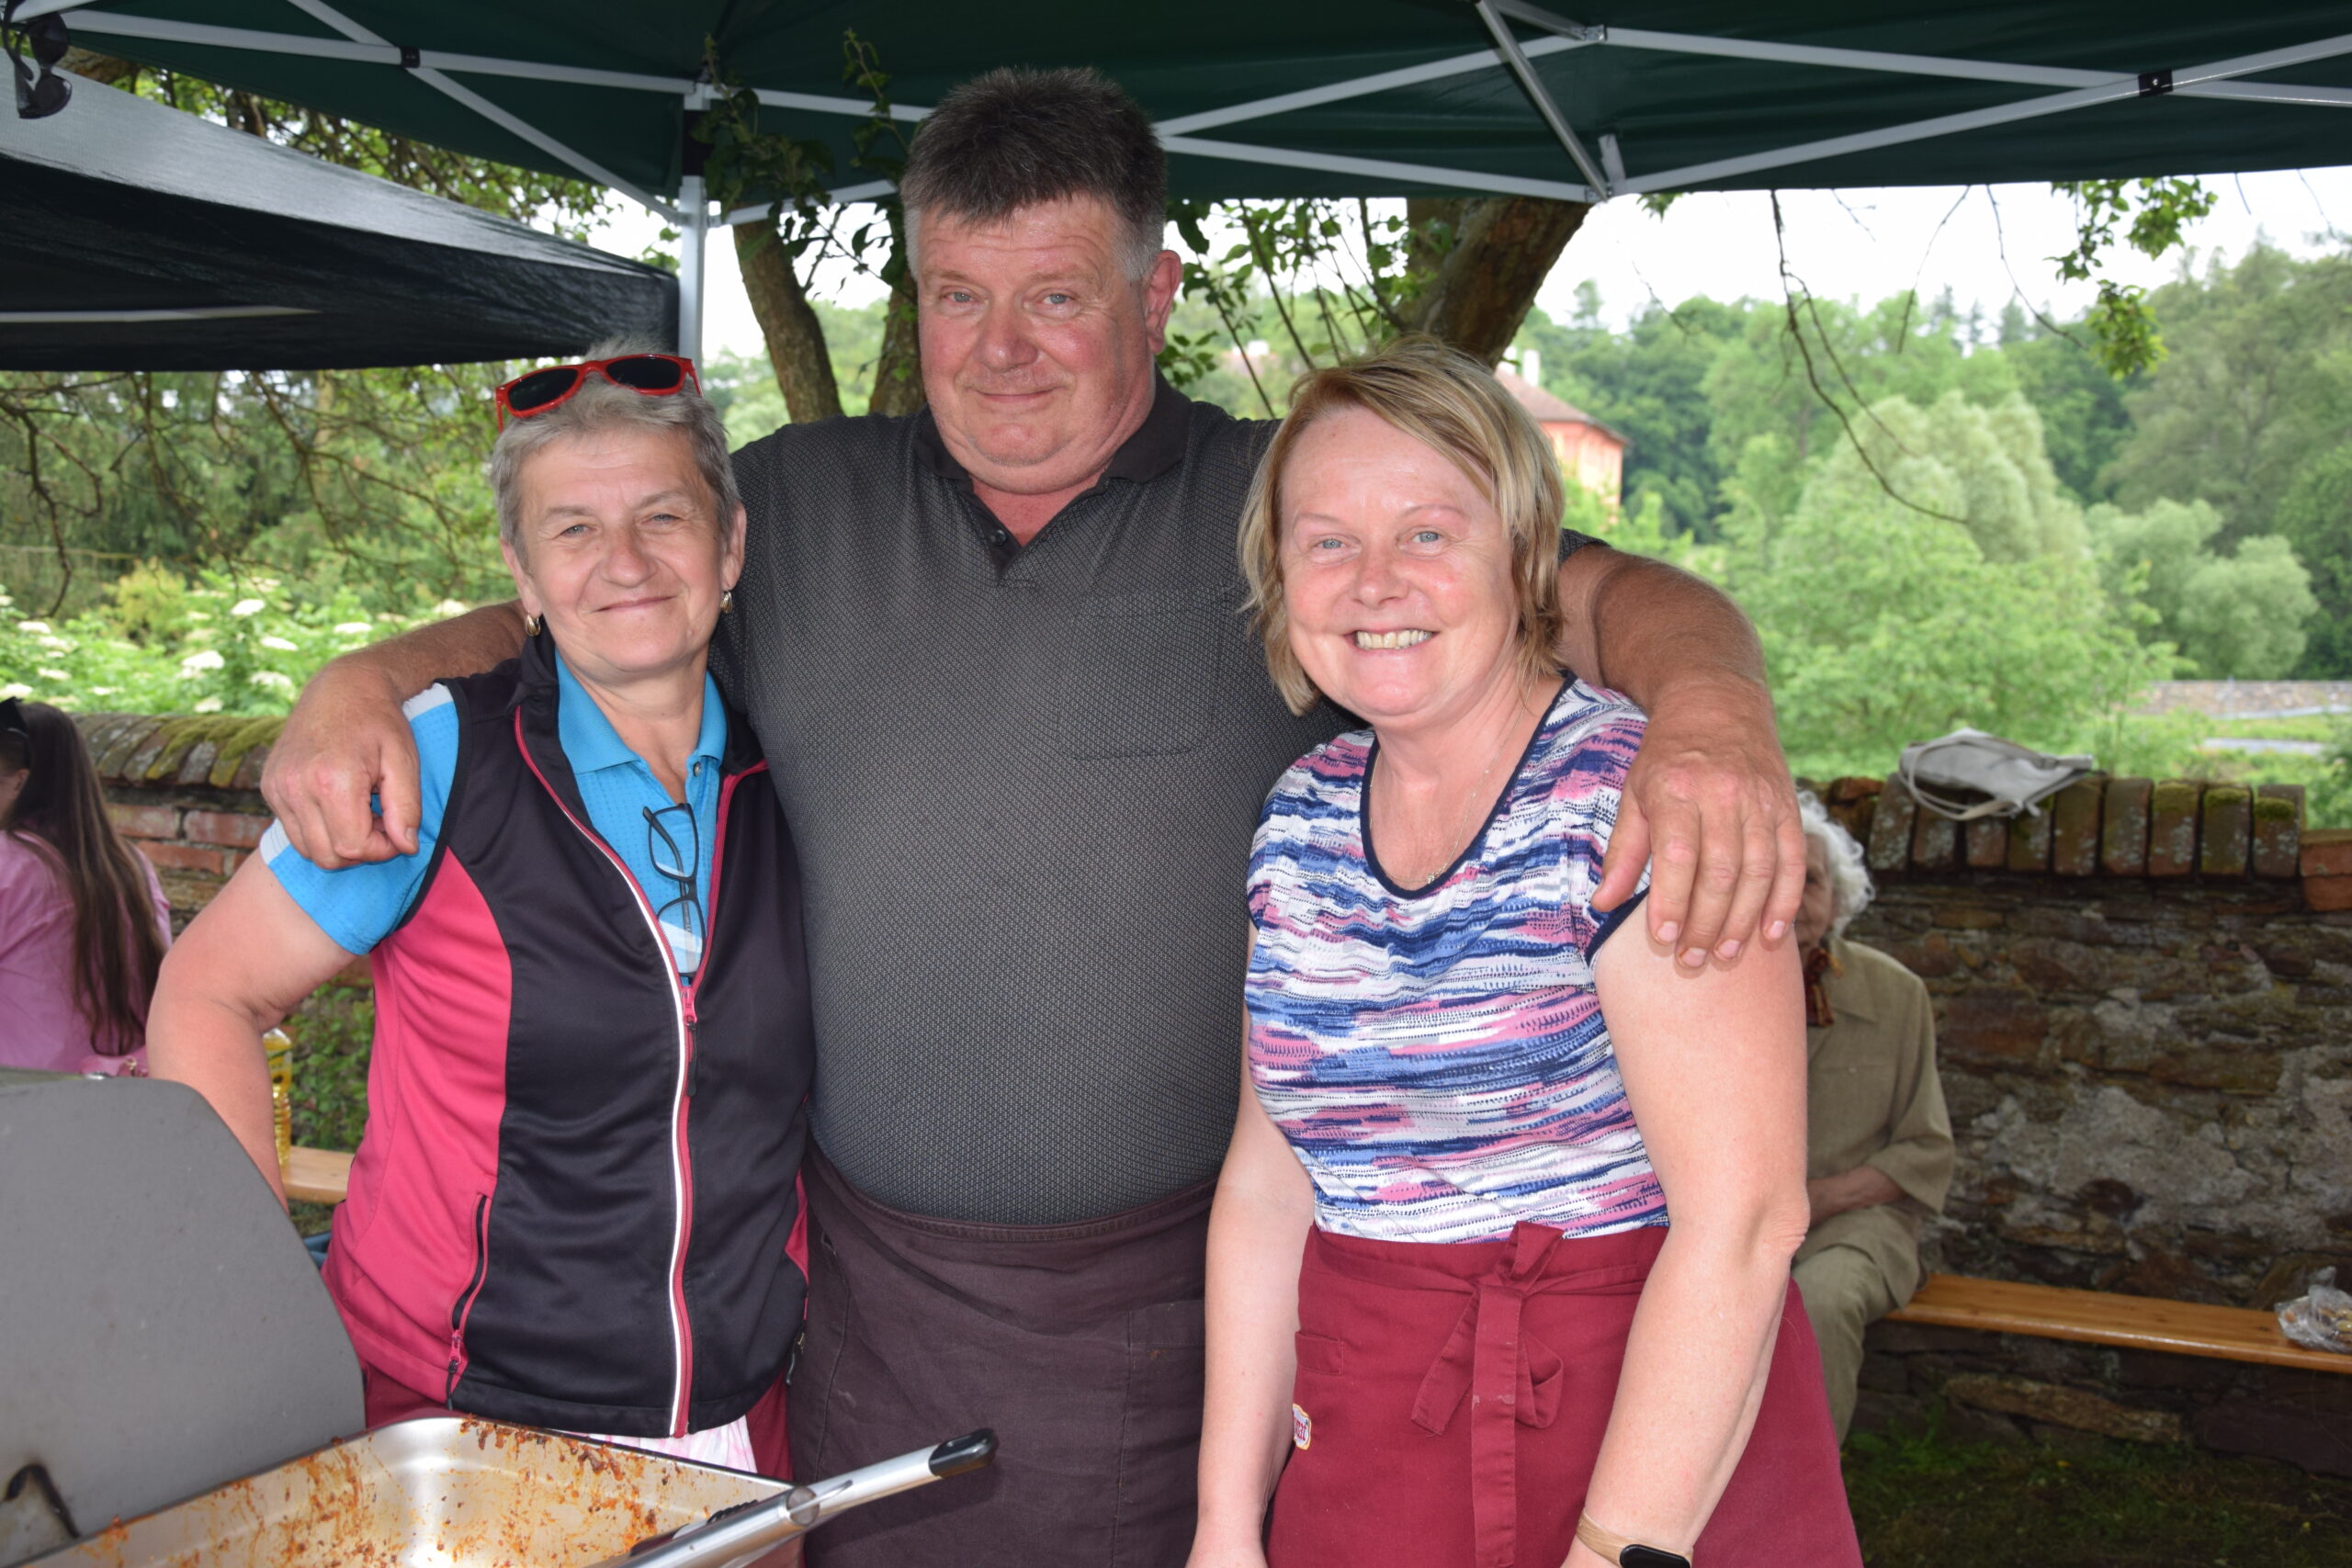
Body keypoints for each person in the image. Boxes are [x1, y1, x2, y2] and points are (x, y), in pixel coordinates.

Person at [258, 70, 1806, 1566]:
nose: (1001, 349)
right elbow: (602, 600)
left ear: (1156, 293)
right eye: (957, 295)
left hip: (1179, 1309)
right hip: (867, 1301)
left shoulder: (1295, 507)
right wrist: (369, 676)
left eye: (1056, 295)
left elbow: (1588, 596)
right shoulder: (795, 507)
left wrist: (1715, 711)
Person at [1190, 339, 1858, 1568]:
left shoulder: (1641, 799)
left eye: (1427, 533)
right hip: (1374, 1439)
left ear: (1523, 552)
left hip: (1648, 1447)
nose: (1375, 580)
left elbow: (1747, 1219)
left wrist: (1613, 1553)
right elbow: (1270, 1182)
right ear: (1279, 579)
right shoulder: (1299, 818)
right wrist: (1228, 1521)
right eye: (1327, 541)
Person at [149, 355, 812, 1472]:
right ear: (521, 572)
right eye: (573, 530)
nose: (626, 562)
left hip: (736, 1421)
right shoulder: (441, 757)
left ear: (731, 545)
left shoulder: (800, 762)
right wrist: (253, 1304)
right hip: (457, 1419)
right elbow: (207, 992)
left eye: (663, 516)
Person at [1789, 791, 1954, 1443]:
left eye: (1810, 879)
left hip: (1856, 1227)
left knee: (1820, 1301)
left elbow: (1924, 1150)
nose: (1793, 896)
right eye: (1773, 874)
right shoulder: (1704, 989)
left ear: (1837, 898)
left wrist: (1819, 1199)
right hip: (1728, 1227)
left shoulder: (1896, 994)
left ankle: (1805, 1492)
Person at [0, 696, 172, 1076]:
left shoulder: (8, 861)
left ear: (19, 781)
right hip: (122, 1090)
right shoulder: (129, 865)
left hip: (22, 1095)